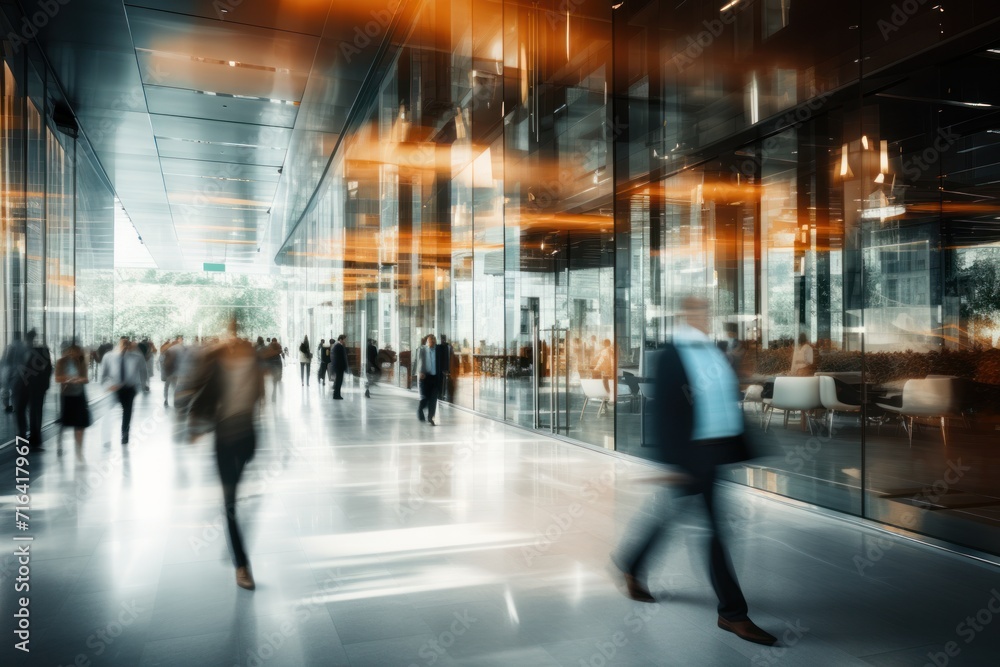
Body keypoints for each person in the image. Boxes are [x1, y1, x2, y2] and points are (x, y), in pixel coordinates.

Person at [610, 296, 776, 646]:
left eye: (707, 311)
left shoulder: (713, 350)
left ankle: (631, 563)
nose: (704, 316)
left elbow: (722, 399)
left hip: (712, 450)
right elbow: (665, 412)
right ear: (685, 315)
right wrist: (671, 461)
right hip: (691, 454)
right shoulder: (671, 355)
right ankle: (732, 613)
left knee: (675, 516)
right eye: (698, 312)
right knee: (714, 531)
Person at [187, 320, 264, 590]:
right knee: (230, 502)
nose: (233, 338)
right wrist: (195, 425)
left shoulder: (252, 363)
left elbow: (259, 396)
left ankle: (234, 536)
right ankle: (241, 565)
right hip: (224, 438)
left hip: (247, 438)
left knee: (235, 498)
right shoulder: (217, 364)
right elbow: (204, 394)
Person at [100, 337, 147, 445]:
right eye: (123, 343)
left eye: (127, 344)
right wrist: (107, 387)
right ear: (118, 344)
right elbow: (103, 376)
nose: (125, 346)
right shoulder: (109, 357)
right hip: (114, 388)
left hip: (129, 388)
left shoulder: (136, 357)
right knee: (109, 412)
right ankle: (106, 437)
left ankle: (125, 435)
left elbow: (143, 370)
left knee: (127, 412)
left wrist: (141, 386)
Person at [12, 330, 53, 452]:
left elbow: (48, 369)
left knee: (29, 412)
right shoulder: (18, 350)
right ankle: (27, 438)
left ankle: (30, 438)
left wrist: (45, 385)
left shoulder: (39, 350)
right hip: (25, 386)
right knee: (26, 411)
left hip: (31, 386)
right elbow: (48, 369)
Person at [56, 343, 91, 460]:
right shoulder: (61, 362)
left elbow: (86, 379)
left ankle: (79, 450)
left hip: (79, 395)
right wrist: (69, 379)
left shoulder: (81, 362)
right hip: (67, 395)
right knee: (65, 422)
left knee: (80, 424)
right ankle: (60, 445)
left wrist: (79, 379)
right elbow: (57, 378)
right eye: (73, 351)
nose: (75, 354)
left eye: (77, 352)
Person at [415, 334, 439, 425]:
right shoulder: (422, 350)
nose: (432, 342)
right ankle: (420, 409)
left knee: (433, 399)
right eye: (430, 340)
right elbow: (419, 361)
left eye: (433, 340)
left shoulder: (438, 350)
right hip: (425, 377)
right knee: (425, 398)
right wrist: (420, 372)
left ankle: (430, 417)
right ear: (427, 341)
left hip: (435, 377)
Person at [331, 334, 349, 400]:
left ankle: (337, 394)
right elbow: (341, 358)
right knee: (338, 381)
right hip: (339, 367)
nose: (345, 341)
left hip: (338, 366)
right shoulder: (339, 346)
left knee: (338, 381)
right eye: (344, 339)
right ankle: (336, 395)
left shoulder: (337, 346)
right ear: (341, 339)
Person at [436, 334, 453, 403]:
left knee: (444, 382)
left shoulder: (447, 347)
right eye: (442, 339)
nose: (442, 340)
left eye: (443, 339)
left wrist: (447, 368)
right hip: (439, 367)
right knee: (440, 382)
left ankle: (442, 394)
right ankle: (440, 394)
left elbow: (447, 358)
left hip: (444, 367)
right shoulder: (439, 347)